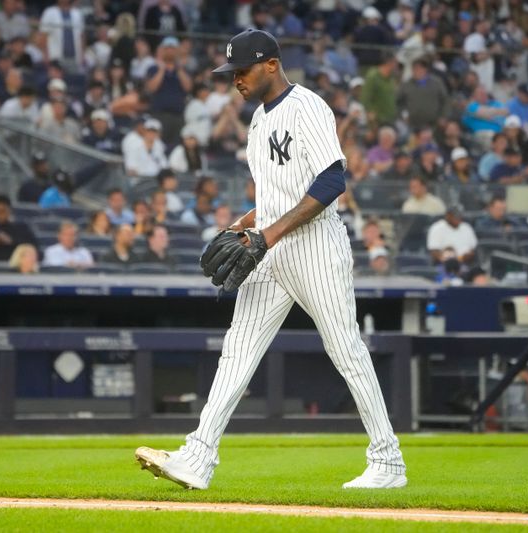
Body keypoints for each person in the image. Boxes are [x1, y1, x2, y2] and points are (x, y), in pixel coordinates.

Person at [136, 29, 406, 491]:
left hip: (314, 245)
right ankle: (199, 455)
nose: (235, 79)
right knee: (237, 350)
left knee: (345, 349)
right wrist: (240, 227)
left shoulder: (308, 106)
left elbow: (330, 182)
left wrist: (268, 235)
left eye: (242, 70)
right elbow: (273, 197)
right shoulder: (258, 122)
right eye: (231, 73)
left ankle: (388, 461)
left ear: (271, 65)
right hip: (269, 244)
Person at [0, 194, 37, 262]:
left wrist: (11, 241)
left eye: (2, 211)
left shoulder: (22, 228)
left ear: (9, 210)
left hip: (17, 266)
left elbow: (33, 247)